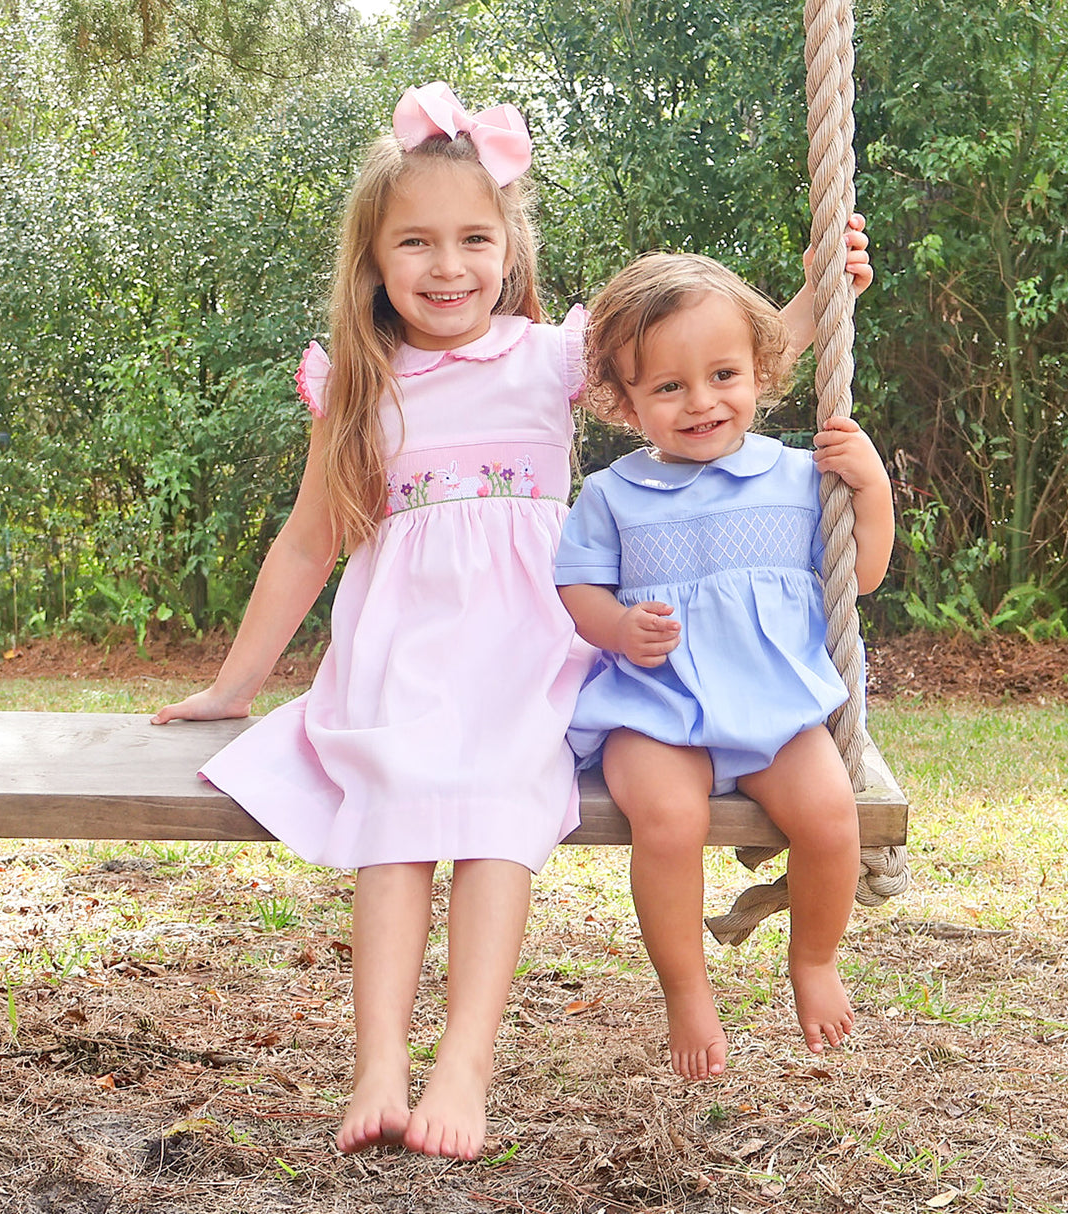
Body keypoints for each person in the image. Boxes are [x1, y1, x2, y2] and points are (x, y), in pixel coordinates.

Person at [152, 81, 870, 1156]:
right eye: (417, 244)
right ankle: (379, 1059)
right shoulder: (359, 381)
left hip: (532, 643)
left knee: (495, 809)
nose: (448, 267)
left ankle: (465, 1059)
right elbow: (308, 542)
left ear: (509, 246)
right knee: (391, 822)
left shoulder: (548, 359)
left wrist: (823, 292)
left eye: (474, 238)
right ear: (373, 260)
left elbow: (706, 359)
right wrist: (235, 683)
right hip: (403, 645)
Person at [554, 251, 893, 1080]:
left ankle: (812, 961)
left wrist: (872, 488)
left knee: (830, 817)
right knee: (668, 823)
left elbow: (862, 577)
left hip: (774, 705)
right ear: (624, 401)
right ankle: (685, 987)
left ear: (760, 371)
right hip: (656, 707)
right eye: (668, 388)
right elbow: (578, 589)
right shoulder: (612, 493)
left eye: (722, 375)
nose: (701, 401)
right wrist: (620, 627)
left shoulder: (797, 476)